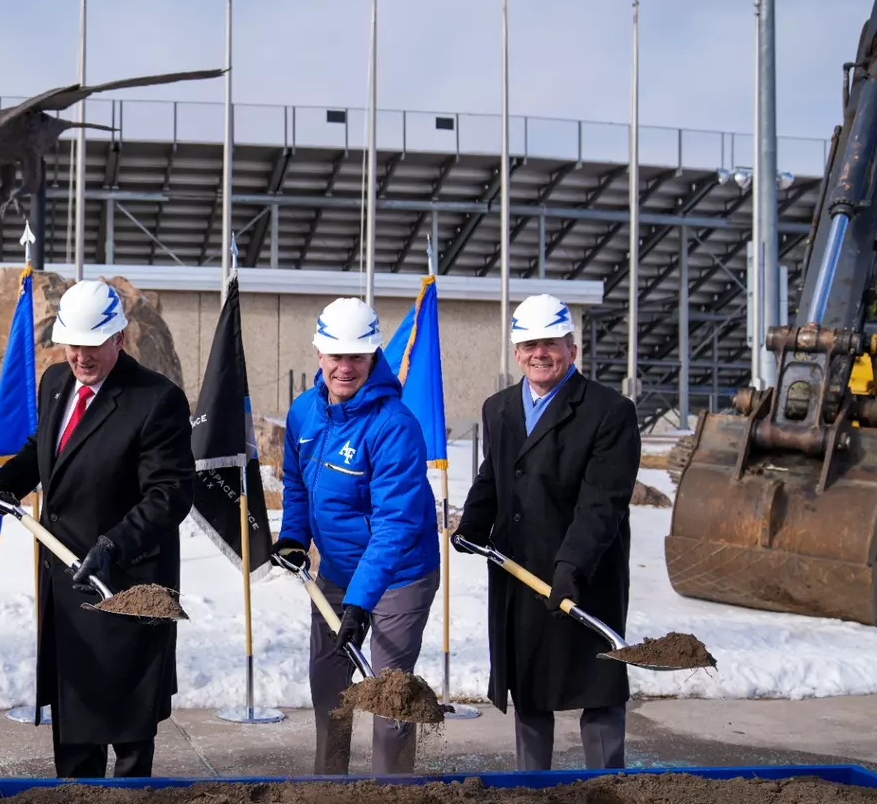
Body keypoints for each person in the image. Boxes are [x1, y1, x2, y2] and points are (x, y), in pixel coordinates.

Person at [0, 279, 194, 778]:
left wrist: (112, 547)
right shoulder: (55, 382)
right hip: (66, 581)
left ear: (119, 338)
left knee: (127, 725)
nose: (80, 355)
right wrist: (9, 479)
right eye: (71, 343)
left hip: (125, 584)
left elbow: (169, 495)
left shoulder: (156, 400)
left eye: (92, 343)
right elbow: (44, 446)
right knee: (74, 717)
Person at [453, 293, 640, 770]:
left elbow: (604, 501)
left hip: (585, 570)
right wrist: (473, 520)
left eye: (551, 343)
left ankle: (607, 789)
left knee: (595, 686)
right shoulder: (499, 408)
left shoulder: (608, 411)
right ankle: (533, 791)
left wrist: (572, 566)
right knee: (530, 684)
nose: (540, 353)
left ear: (572, 349)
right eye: (529, 344)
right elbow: (493, 474)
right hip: (520, 570)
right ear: (517, 352)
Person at [273, 297, 442, 775]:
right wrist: (292, 535)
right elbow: (296, 483)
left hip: (400, 577)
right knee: (329, 689)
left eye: (356, 357)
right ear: (319, 354)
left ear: (373, 357)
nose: (344, 367)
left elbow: (396, 524)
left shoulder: (394, 426)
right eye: (335, 355)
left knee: (388, 695)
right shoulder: (305, 413)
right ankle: (333, 792)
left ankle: (391, 799)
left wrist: (362, 602)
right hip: (337, 573)